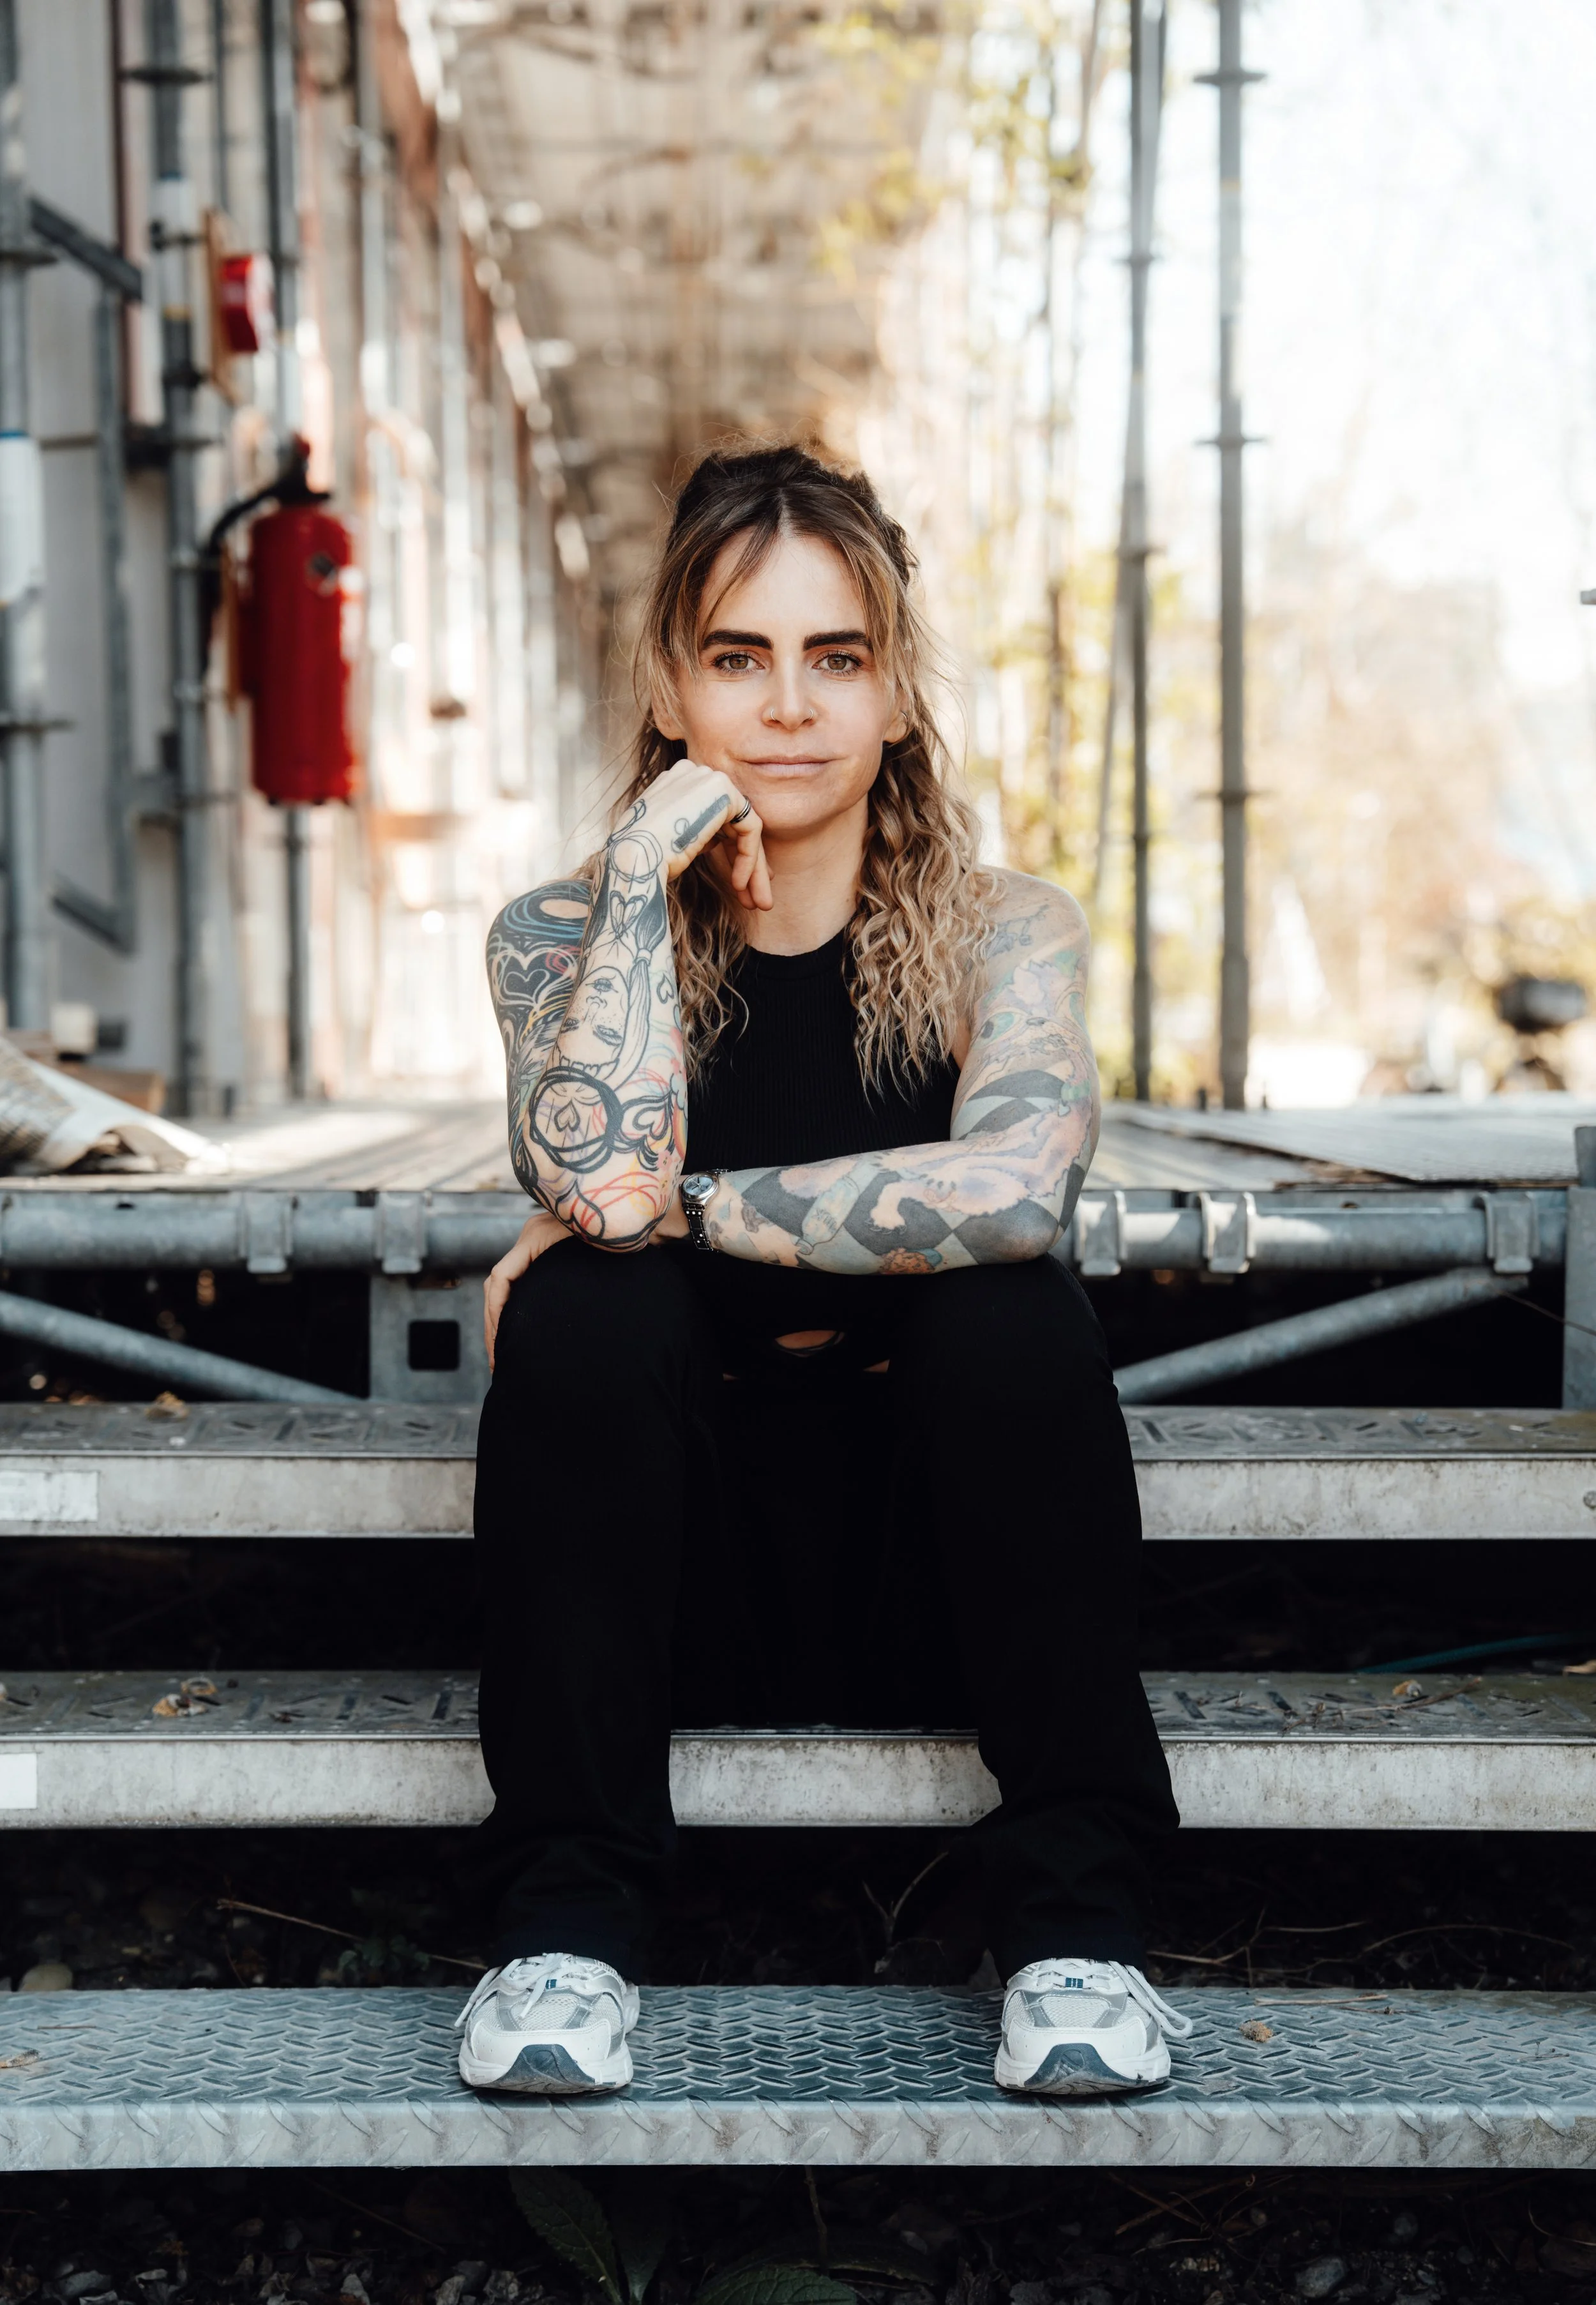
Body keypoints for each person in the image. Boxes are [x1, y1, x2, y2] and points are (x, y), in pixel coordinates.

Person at [456, 444, 1185, 2102]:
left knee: (1005, 1316)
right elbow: (585, 1173)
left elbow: (1012, 1192)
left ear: (896, 692)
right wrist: (642, 881)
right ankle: (563, 1932)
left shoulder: (1005, 929)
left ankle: (1078, 1938)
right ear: (667, 685)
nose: (786, 706)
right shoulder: (550, 935)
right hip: (666, 1565)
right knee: (583, 1305)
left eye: (833, 656)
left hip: (934, 1553)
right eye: (736, 656)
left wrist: (690, 1208)